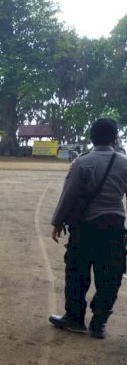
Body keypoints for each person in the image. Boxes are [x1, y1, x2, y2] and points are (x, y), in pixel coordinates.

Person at [49, 118, 127, 339]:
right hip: (114, 226)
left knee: (77, 272)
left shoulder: (82, 163)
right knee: (110, 276)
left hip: (85, 228)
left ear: (92, 137)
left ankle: (74, 318)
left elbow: (68, 196)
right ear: (115, 138)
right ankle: (99, 323)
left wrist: (57, 222)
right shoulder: (125, 163)